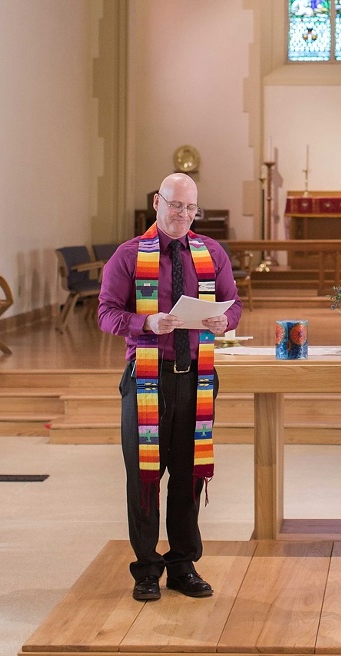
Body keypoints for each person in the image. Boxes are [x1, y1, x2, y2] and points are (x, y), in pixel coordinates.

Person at [98, 173, 242, 602]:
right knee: (144, 477)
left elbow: (233, 306)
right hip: (148, 378)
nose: (182, 215)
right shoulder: (128, 255)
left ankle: (182, 564)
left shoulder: (210, 251)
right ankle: (146, 569)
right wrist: (145, 322)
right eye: (175, 205)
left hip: (196, 377)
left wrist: (224, 321)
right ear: (157, 203)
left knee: (188, 476)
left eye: (190, 208)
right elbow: (105, 313)